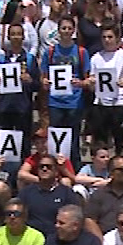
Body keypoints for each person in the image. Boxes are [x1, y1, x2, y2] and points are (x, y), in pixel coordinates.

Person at [40, 16, 90, 169]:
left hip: (74, 102)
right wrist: (45, 83)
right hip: (55, 101)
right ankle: (56, 170)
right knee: (56, 139)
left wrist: (80, 83)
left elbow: (88, 79)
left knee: (73, 140)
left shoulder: (81, 52)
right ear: (58, 31)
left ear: (73, 30)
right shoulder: (50, 52)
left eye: (69, 28)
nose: (66, 31)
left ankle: (73, 170)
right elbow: (43, 77)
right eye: (63, 28)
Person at [86, 25, 123, 155]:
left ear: (117, 38)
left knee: (121, 141)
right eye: (104, 37)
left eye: (110, 37)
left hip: (119, 104)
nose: (107, 40)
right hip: (100, 104)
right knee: (100, 143)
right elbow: (91, 84)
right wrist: (91, 83)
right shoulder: (96, 58)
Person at [18, 153, 82, 236]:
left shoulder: (67, 193)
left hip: (57, 240)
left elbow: (74, 219)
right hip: (31, 239)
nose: (44, 169)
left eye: (49, 167)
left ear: (56, 172)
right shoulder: (26, 193)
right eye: (41, 167)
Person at [0, 21, 38, 137]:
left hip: (23, 107)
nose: (16, 37)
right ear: (8, 37)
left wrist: (30, 80)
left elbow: (37, 85)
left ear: (23, 37)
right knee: (6, 142)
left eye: (19, 34)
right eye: (13, 34)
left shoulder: (29, 59)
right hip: (5, 107)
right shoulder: (2, 59)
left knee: (24, 143)